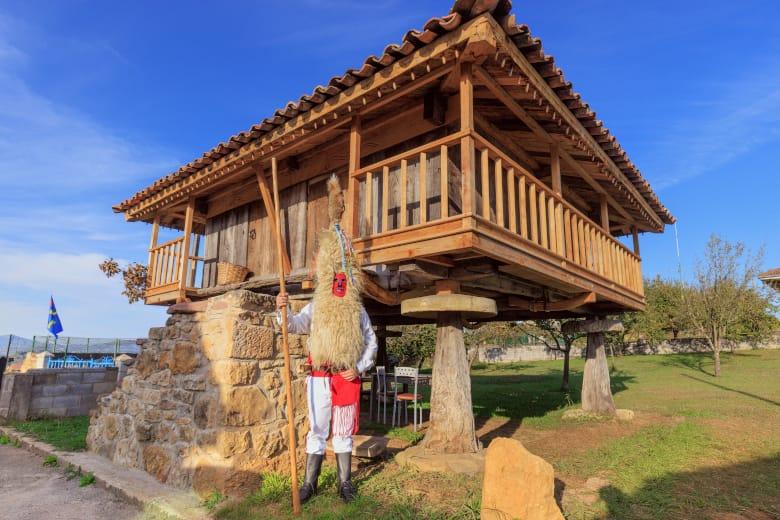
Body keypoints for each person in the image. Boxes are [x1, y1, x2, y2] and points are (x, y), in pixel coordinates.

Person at [276, 174, 378, 503]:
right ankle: (310, 483)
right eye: (334, 276)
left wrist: (360, 367)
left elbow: (371, 341)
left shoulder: (357, 308)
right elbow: (293, 326)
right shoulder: (317, 306)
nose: (338, 280)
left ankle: (345, 484)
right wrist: (282, 310)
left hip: (346, 377)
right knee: (318, 430)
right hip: (319, 377)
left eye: (342, 276)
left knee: (343, 432)